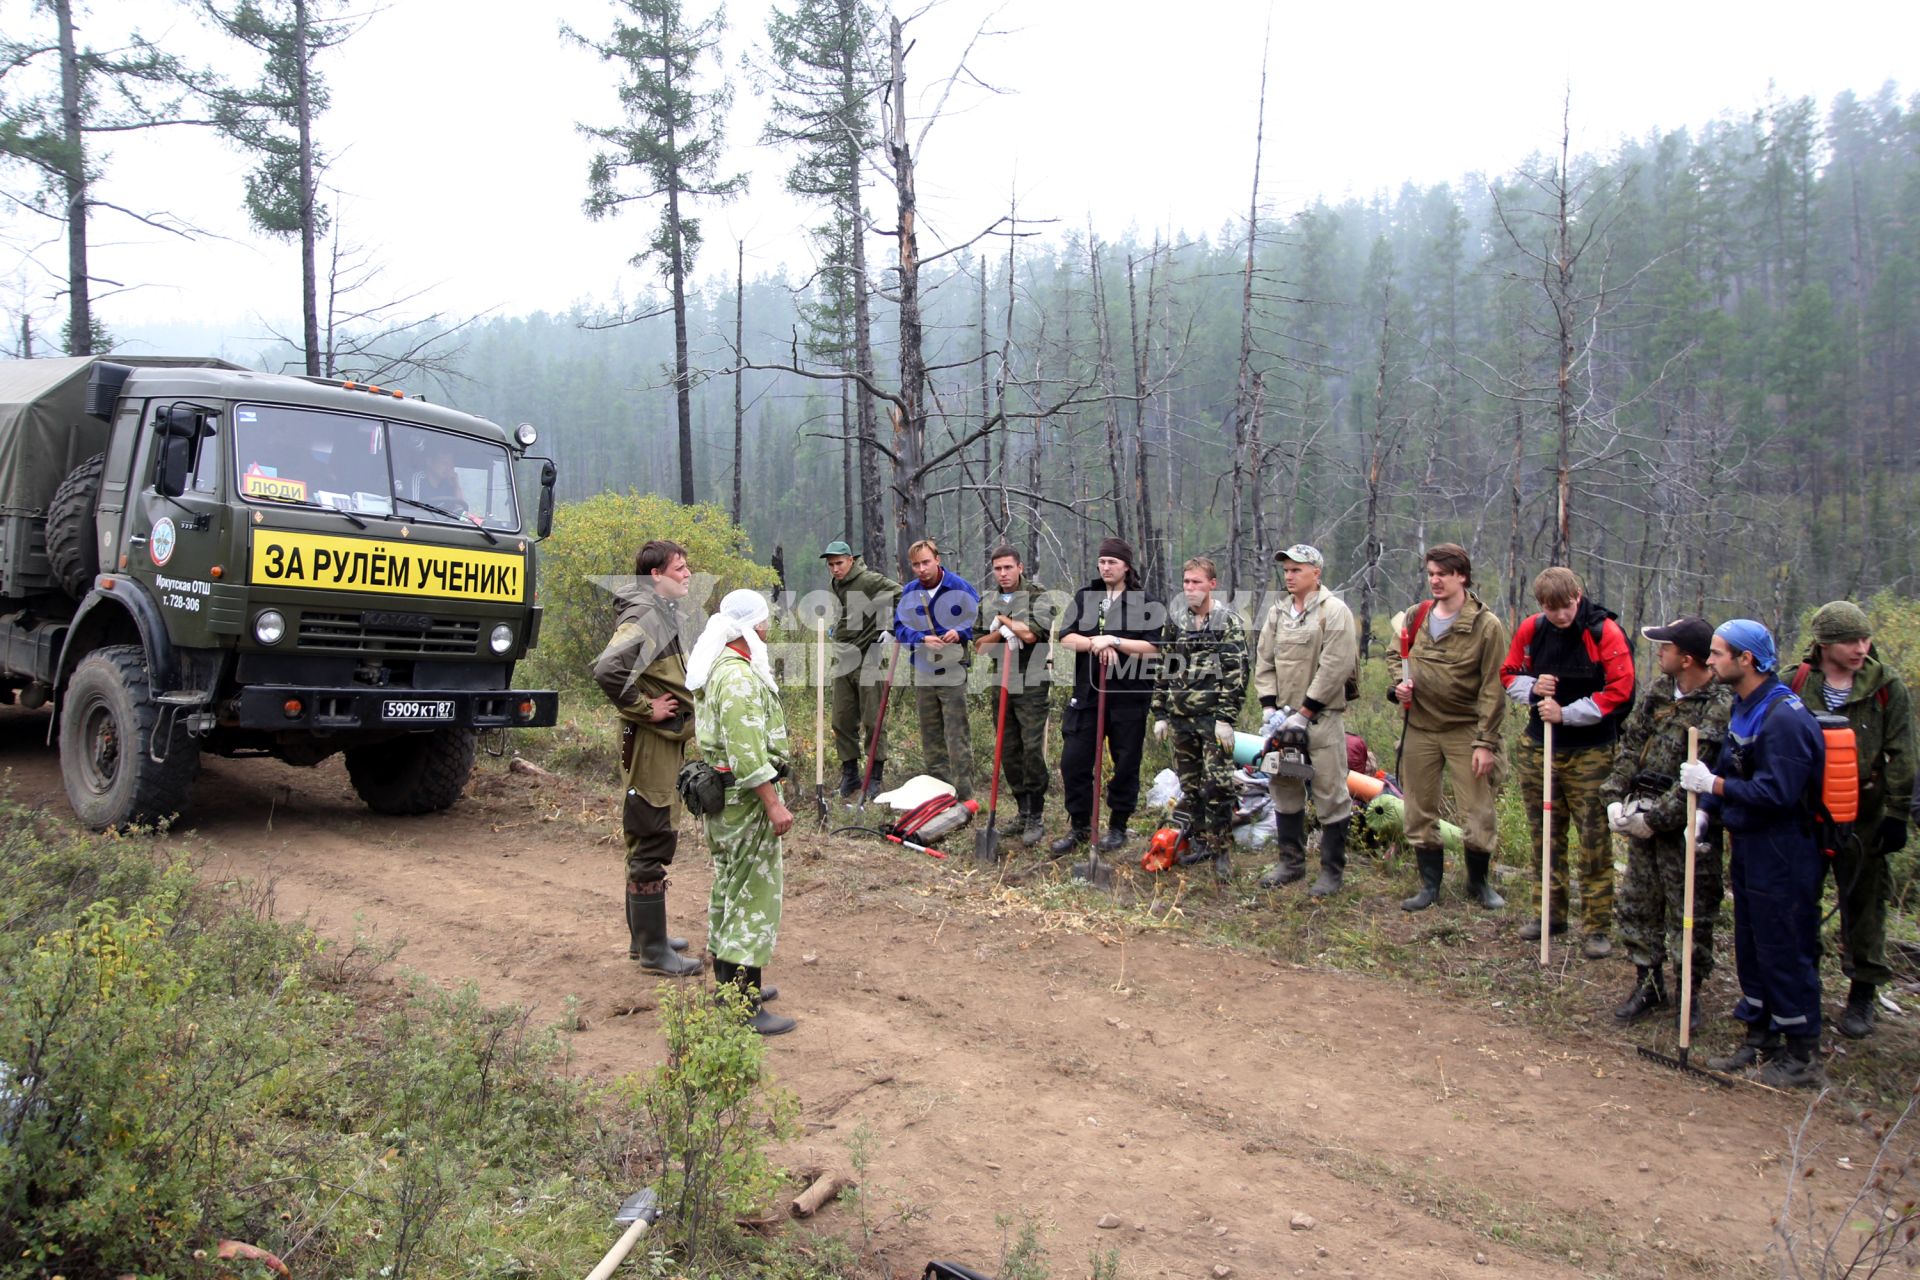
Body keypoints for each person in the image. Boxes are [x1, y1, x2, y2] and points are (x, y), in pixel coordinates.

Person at [1685, 619, 1826, 1088]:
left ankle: (1802, 1051)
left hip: (1785, 849)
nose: (1710, 661)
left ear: (1747, 660)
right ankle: (1761, 1031)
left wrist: (1717, 785)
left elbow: (1778, 792)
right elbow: (1730, 767)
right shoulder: (1744, 707)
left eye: (1719, 653)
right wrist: (1706, 808)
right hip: (1749, 844)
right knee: (1751, 940)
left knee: (1784, 943)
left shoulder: (1784, 717)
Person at [1783, 601, 1914, 1039]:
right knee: (1801, 901)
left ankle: (1862, 994)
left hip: (1865, 816)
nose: (1861, 648)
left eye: (1865, 638)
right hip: (1804, 814)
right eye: (1849, 640)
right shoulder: (1795, 682)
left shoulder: (1886, 686)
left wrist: (1896, 814)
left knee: (1865, 906)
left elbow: (1902, 753)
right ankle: (1805, 985)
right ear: (1824, 644)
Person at [1499, 567, 1637, 957]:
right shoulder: (1532, 629)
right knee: (1545, 833)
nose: (1561, 615)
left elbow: (1621, 691)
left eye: (1567, 606)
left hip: (1590, 749)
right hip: (1539, 745)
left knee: (1593, 837)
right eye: (1552, 608)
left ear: (1578, 595)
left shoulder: (1603, 632)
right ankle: (1548, 914)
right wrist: (1532, 688)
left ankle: (1596, 926)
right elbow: (1508, 674)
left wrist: (1569, 713)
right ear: (1541, 606)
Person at [1601, 617, 1733, 1024]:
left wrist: (1658, 820)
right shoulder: (1658, 691)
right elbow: (1632, 743)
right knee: (1638, 902)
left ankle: (1688, 994)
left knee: (1689, 910)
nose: (1659, 653)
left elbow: (1704, 770)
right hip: (1643, 811)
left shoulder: (1718, 704)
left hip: (1687, 826)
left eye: (1665, 647)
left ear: (1687, 658)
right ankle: (1649, 983)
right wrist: (1614, 795)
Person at [592, 539, 703, 979]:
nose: (688, 573)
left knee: (647, 832)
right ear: (656, 575)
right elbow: (607, 669)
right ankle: (654, 950)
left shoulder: (658, 612)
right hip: (652, 740)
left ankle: (645, 938)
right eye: (680, 567)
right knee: (651, 831)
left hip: (661, 739)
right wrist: (645, 707)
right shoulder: (646, 616)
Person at [688, 589, 798, 1036]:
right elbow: (747, 754)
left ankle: (726, 987)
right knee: (752, 896)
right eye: (765, 621)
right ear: (751, 627)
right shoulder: (736, 678)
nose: (769, 628)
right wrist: (774, 804)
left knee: (730, 888)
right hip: (745, 800)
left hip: (730, 800)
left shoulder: (725, 667)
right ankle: (743, 1003)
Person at [1386, 543, 1508, 912]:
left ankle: (1479, 883)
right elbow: (1395, 656)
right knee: (1418, 808)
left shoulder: (1486, 626)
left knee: (1477, 812)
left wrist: (1485, 742)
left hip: (1465, 730)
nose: (1435, 581)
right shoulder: (1416, 615)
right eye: (1431, 574)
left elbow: (1493, 687)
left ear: (1462, 576)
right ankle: (1429, 886)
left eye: (1443, 574)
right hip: (1420, 727)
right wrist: (1398, 685)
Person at [1251, 544, 1360, 896]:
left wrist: (1306, 712)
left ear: (1316, 572)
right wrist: (1269, 709)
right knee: (1285, 783)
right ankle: (1291, 863)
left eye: (1297, 569)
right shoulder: (1278, 612)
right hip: (1283, 722)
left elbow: (1336, 666)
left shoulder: (1334, 611)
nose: (1289, 575)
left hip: (1321, 720)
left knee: (1329, 789)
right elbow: (1264, 660)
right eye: (1285, 569)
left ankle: (1331, 871)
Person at [1052, 537, 1161, 855]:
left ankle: (1117, 826)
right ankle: (1081, 826)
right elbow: (1067, 637)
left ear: (1126, 565)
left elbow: (1154, 648)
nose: (1106, 567)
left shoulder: (1146, 602)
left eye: (1112, 561)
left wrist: (1115, 641)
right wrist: (1094, 643)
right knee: (1074, 762)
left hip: (1129, 695)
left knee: (1126, 762)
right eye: (1102, 561)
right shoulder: (1087, 596)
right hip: (1087, 694)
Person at [1151, 556, 1250, 881]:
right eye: (1186, 582)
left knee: (1219, 785)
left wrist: (1225, 717)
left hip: (1212, 721)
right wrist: (1161, 712)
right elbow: (1165, 668)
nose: (1190, 588)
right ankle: (1200, 841)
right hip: (1181, 719)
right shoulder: (1177, 621)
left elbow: (1236, 674)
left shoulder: (1227, 622)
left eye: (1196, 582)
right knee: (1190, 786)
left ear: (1211, 584)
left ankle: (1221, 850)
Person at [975, 545, 1055, 845]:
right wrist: (1001, 631)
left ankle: (1036, 812)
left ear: (1020, 567)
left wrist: (1006, 622)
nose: (1003, 574)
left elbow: (1033, 634)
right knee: (1007, 748)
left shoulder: (1037, 595)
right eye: (997, 569)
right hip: (1002, 679)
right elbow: (981, 646)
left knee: (1031, 746)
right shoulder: (989, 599)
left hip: (1032, 680)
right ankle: (1021, 809)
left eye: (1008, 567)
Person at [893, 538, 981, 800]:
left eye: (926, 562)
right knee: (930, 732)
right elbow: (899, 626)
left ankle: (965, 795)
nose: (922, 569)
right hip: (923, 667)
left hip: (953, 667)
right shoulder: (909, 591)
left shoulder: (959, 587)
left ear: (937, 560)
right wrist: (920, 639)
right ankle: (938, 792)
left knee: (956, 731)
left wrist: (960, 632)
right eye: (916, 564)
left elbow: (978, 618)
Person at [821, 540, 901, 801]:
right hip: (844, 660)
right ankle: (850, 776)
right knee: (841, 720)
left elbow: (902, 594)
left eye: (839, 563)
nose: (835, 569)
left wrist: (891, 627)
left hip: (869, 657)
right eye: (831, 565)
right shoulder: (837, 583)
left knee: (873, 720)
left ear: (851, 560)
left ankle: (874, 778)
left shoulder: (868, 580)